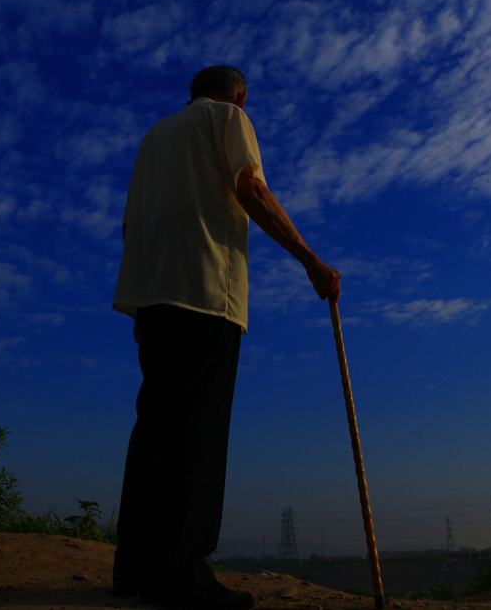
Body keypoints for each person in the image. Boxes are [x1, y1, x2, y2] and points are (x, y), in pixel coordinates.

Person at [111, 65, 340, 610]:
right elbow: (250, 187)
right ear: (240, 95)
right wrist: (309, 259)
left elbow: (130, 221)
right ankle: (180, 581)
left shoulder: (155, 135)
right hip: (206, 295)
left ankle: (135, 573)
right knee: (197, 435)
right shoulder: (229, 118)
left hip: (153, 299)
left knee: (155, 432)